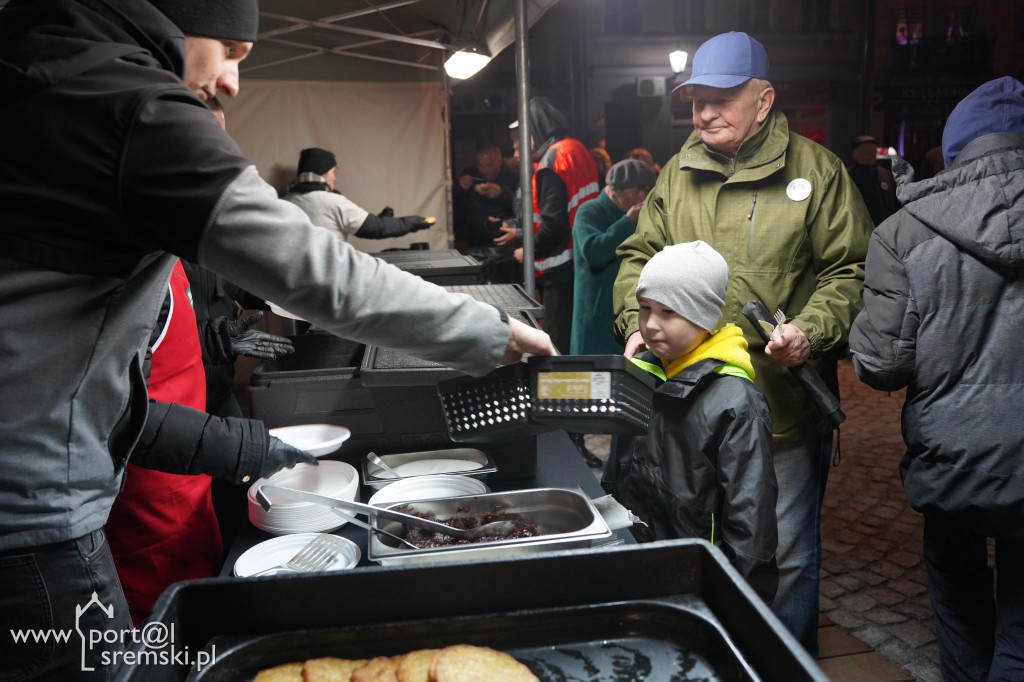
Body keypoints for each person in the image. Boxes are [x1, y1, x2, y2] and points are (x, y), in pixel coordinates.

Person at [0, 1, 555, 679]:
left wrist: (252, 447)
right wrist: (493, 335)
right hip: (31, 526)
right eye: (231, 50)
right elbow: (322, 278)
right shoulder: (128, 105)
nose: (232, 81)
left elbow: (85, 388)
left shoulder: (39, 71)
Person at [612, 31, 872, 655]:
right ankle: (710, 661)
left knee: (785, 555)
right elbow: (637, 256)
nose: (704, 112)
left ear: (764, 100)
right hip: (684, 406)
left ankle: (780, 667)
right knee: (689, 538)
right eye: (697, 98)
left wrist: (810, 332)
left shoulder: (818, 171)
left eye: (722, 97)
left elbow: (853, 271)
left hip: (781, 411)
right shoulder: (677, 173)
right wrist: (634, 322)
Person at [849, 76, 1024, 682]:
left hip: (954, 455)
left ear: (953, 149)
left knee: (958, 596)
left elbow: (880, 365)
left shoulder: (905, 232)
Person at [603, 241, 778, 602]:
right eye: (645, 308)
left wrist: (736, 602)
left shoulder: (737, 404)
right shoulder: (641, 376)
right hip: (637, 563)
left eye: (669, 312)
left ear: (703, 316)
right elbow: (618, 472)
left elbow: (751, 524)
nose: (650, 324)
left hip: (699, 580)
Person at [495, 97, 600, 353]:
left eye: (523, 138)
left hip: (560, 266)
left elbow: (553, 225)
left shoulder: (553, 160)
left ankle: (558, 393)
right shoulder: (576, 150)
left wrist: (527, 252)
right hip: (580, 261)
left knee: (554, 345)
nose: (520, 147)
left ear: (538, 130)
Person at [570, 159, 656, 355]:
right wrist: (627, 222)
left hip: (633, 308)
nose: (643, 197)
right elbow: (594, 252)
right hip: (597, 313)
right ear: (614, 190)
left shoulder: (648, 215)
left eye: (648, 190)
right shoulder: (589, 211)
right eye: (637, 191)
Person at [281, 147, 434, 241]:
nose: (335, 178)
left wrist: (381, 220)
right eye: (333, 172)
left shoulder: (284, 200)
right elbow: (376, 229)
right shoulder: (332, 202)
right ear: (323, 173)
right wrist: (414, 222)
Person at [453, 144, 517, 250]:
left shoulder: (512, 177)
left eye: (489, 165)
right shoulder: (471, 175)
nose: (484, 170)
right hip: (474, 241)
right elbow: (452, 203)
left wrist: (502, 193)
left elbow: (524, 207)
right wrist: (459, 187)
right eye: (480, 166)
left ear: (500, 162)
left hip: (503, 240)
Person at [847, 135, 899, 226]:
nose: (870, 155)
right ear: (855, 153)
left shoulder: (886, 175)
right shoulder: (846, 176)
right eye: (865, 152)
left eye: (873, 152)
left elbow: (895, 203)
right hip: (857, 228)